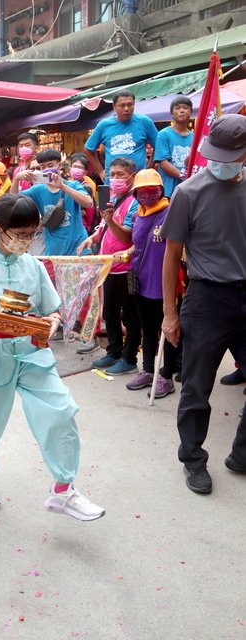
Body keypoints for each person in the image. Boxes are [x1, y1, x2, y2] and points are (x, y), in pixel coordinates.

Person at [0, 193, 105, 521]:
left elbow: (51, 308)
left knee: (60, 410)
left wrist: (53, 320)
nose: (28, 241)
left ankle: (63, 491)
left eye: (33, 234)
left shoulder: (33, 266)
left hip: (31, 351)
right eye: (21, 234)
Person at [161, 113, 246, 495]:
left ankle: (241, 453)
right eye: (217, 154)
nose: (221, 163)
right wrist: (169, 314)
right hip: (206, 297)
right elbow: (171, 255)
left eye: (230, 157)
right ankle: (193, 460)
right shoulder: (188, 192)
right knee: (196, 387)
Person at [78, 157, 141, 374]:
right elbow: (103, 227)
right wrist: (93, 238)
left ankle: (129, 358)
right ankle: (114, 352)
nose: (114, 179)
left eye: (120, 175)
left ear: (132, 177)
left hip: (127, 267)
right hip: (108, 266)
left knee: (130, 316)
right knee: (110, 313)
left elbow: (128, 237)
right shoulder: (112, 197)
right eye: (111, 174)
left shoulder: (135, 201)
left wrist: (111, 220)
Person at [124, 169, 178, 398]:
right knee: (147, 329)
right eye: (142, 192)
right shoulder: (137, 215)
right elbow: (137, 243)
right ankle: (148, 370)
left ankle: (166, 375)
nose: (147, 195)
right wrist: (128, 252)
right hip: (141, 281)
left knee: (170, 331)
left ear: (161, 191)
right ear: (135, 194)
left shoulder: (171, 212)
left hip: (165, 284)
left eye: (152, 191)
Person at [10, 148, 92, 257]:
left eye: (50, 165)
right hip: (54, 251)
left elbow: (88, 203)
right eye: (43, 167)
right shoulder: (38, 190)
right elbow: (13, 199)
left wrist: (63, 187)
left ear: (59, 166)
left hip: (79, 248)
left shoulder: (73, 185)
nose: (47, 169)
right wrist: (16, 180)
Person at [84, 90, 158, 184]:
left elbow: (158, 145)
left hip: (139, 180)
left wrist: (149, 168)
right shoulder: (104, 125)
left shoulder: (145, 122)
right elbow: (88, 149)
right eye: (122, 105)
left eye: (130, 105)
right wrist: (99, 170)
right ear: (114, 106)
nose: (127, 108)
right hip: (113, 182)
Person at [154, 97, 193, 198]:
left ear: (191, 112)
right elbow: (163, 163)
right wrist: (184, 176)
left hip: (189, 190)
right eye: (177, 108)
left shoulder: (195, 137)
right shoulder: (163, 134)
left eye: (185, 108)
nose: (182, 110)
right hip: (168, 191)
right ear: (172, 113)